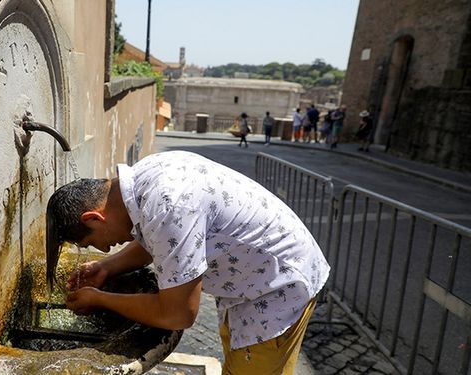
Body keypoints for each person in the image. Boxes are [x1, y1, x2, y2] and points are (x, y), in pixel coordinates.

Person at [46, 151, 331, 374]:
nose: (104, 248)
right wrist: (106, 267)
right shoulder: (145, 178)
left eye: (93, 243)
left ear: (94, 218)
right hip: (252, 279)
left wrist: (100, 300)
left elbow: (177, 314)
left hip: (278, 287)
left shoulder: (170, 206)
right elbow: (162, 241)